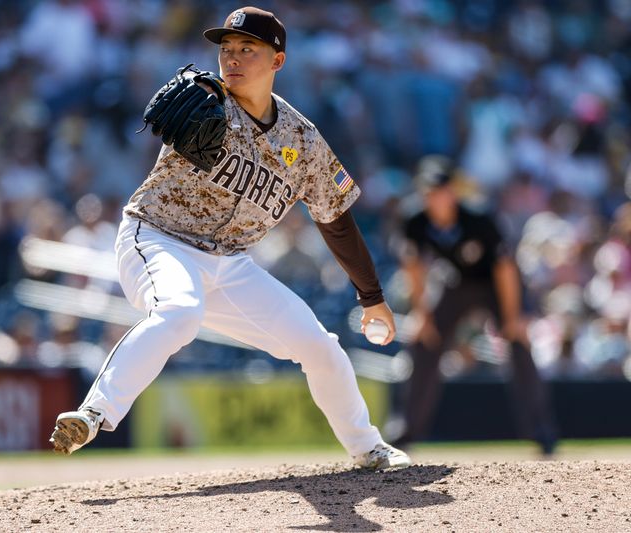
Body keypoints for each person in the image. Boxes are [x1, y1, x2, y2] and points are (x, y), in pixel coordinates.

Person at [50, 6, 410, 469]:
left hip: (230, 264)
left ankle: (368, 447)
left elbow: (335, 219)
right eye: (225, 49)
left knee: (320, 347)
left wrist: (372, 296)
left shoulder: (302, 140)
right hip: (157, 238)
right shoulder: (207, 102)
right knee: (180, 312)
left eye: (247, 49)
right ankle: (93, 414)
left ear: (278, 61)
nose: (232, 58)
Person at [393, 155, 557, 454]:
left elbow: (505, 270)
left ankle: (541, 431)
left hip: (495, 286)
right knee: (425, 340)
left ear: (453, 192)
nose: (435, 198)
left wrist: (512, 317)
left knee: (519, 343)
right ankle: (407, 429)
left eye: (440, 190)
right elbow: (414, 267)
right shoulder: (415, 220)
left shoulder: (479, 218)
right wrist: (422, 314)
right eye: (428, 192)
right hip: (456, 284)